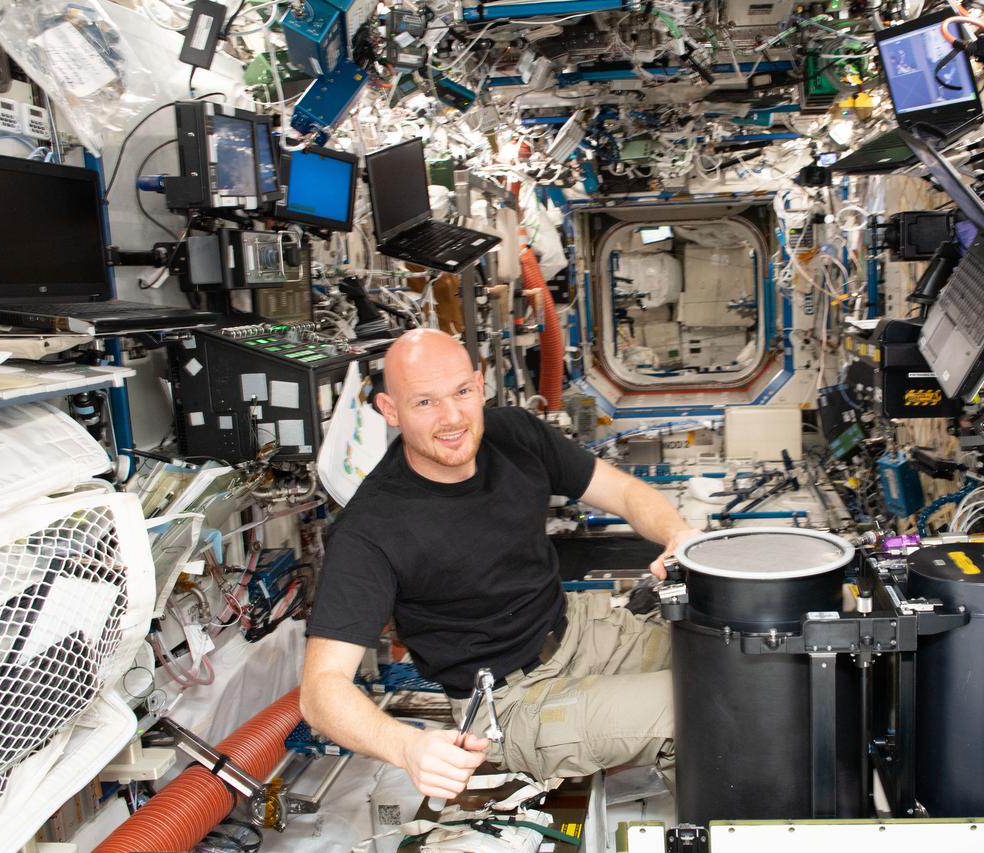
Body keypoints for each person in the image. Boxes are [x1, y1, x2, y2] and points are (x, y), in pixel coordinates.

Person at [301, 328, 702, 802]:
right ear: (390, 410)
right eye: (424, 403)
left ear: (480, 383)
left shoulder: (515, 434)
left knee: (729, 660)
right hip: (509, 703)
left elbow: (624, 492)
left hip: (580, 631)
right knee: (702, 708)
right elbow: (320, 691)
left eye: (462, 393)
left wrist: (676, 533)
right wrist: (406, 746)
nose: (452, 418)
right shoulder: (372, 527)